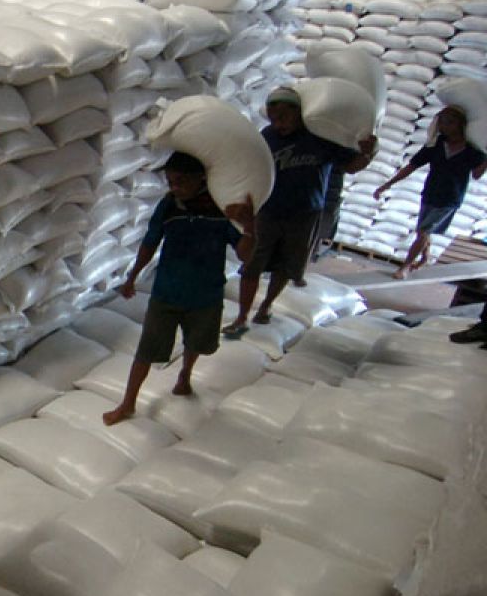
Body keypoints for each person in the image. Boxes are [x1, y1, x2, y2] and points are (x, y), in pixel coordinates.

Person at [102, 151, 257, 426]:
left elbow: (245, 255)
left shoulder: (221, 209)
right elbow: (150, 243)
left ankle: (185, 374)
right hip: (167, 292)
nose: (175, 187)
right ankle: (127, 403)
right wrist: (132, 277)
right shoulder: (168, 205)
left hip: (205, 294)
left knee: (196, 342)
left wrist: (250, 228)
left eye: (181, 181)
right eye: (170, 181)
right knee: (146, 350)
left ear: (201, 179)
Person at [222, 87, 377, 337]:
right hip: (269, 211)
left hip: (304, 213)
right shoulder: (268, 137)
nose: (278, 123)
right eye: (273, 117)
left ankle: (266, 305)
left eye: (283, 116)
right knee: (252, 265)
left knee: (286, 264)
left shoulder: (320, 138)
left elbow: (351, 167)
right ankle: (241, 317)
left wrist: (368, 153)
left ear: (298, 112)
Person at [373, 105, 487, 279]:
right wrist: (387, 185)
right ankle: (425, 257)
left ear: (460, 125)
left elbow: (477, 175)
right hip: (430, 193)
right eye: (441, 122)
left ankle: (405, 267)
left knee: (425, 231)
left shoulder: (471, 152)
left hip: (449, 199)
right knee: (422, 232)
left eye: (449, 122)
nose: (444, 126)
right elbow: (412, 166)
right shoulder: (436, 145)